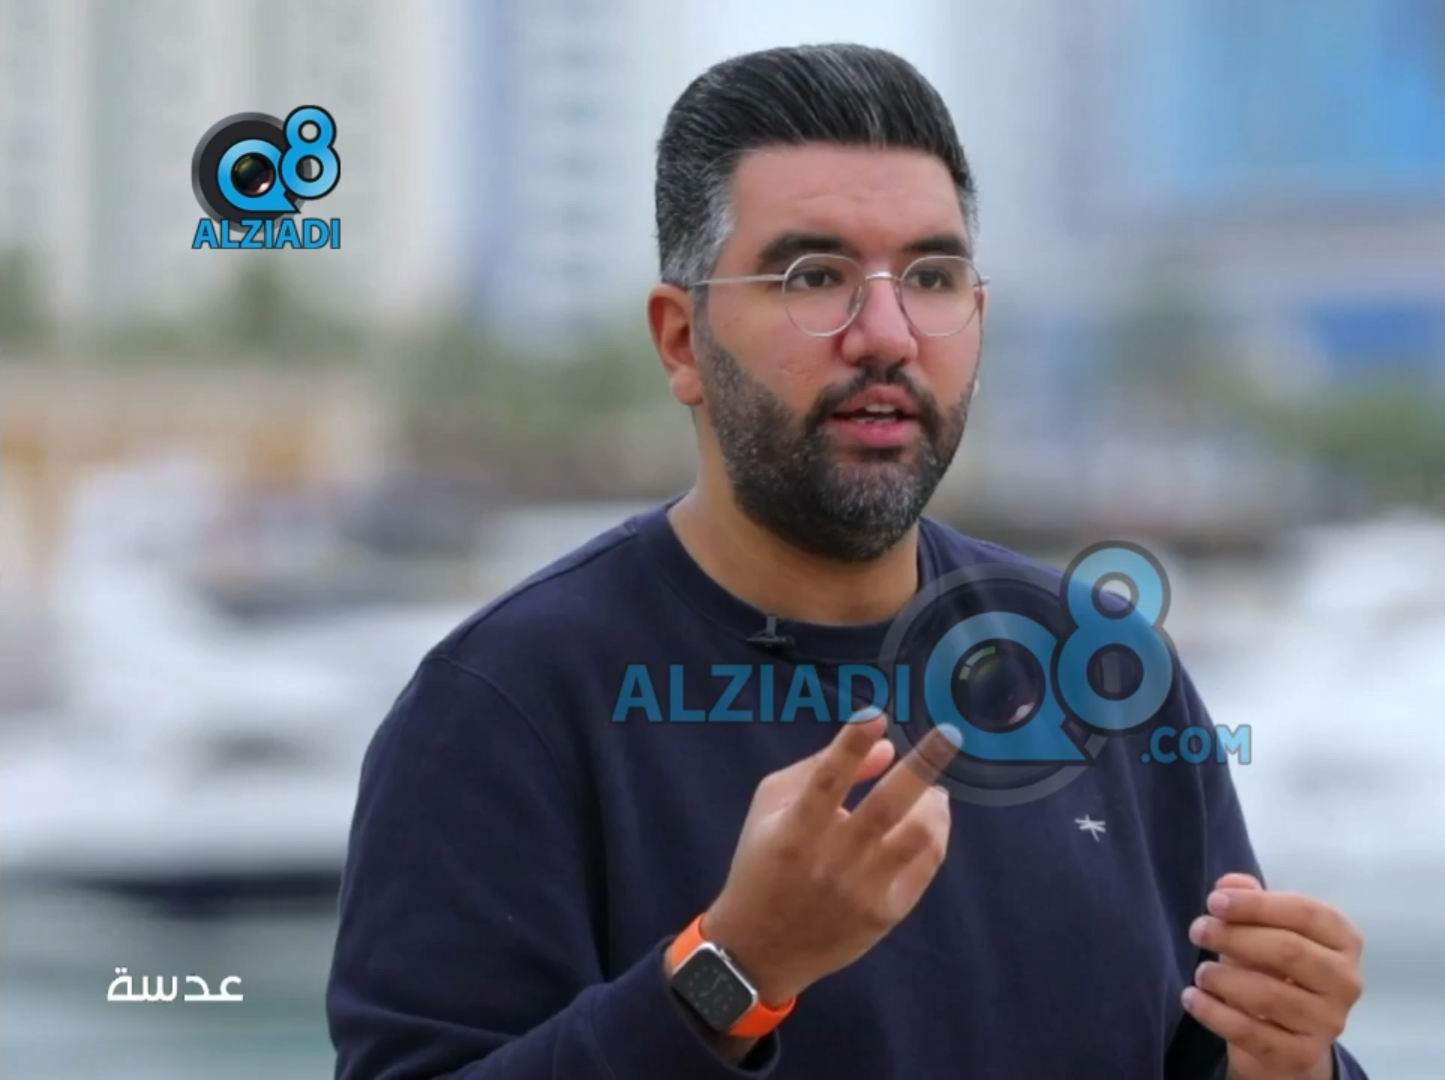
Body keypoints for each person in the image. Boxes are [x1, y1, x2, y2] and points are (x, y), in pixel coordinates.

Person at [326, 43, 1367, 1080]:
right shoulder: (506, 705)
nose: (887, 334)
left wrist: (1297, 1063)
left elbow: (1212, 1057)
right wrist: (734, 970)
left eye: (932, 277)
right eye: (814, 276)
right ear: (682, 341)